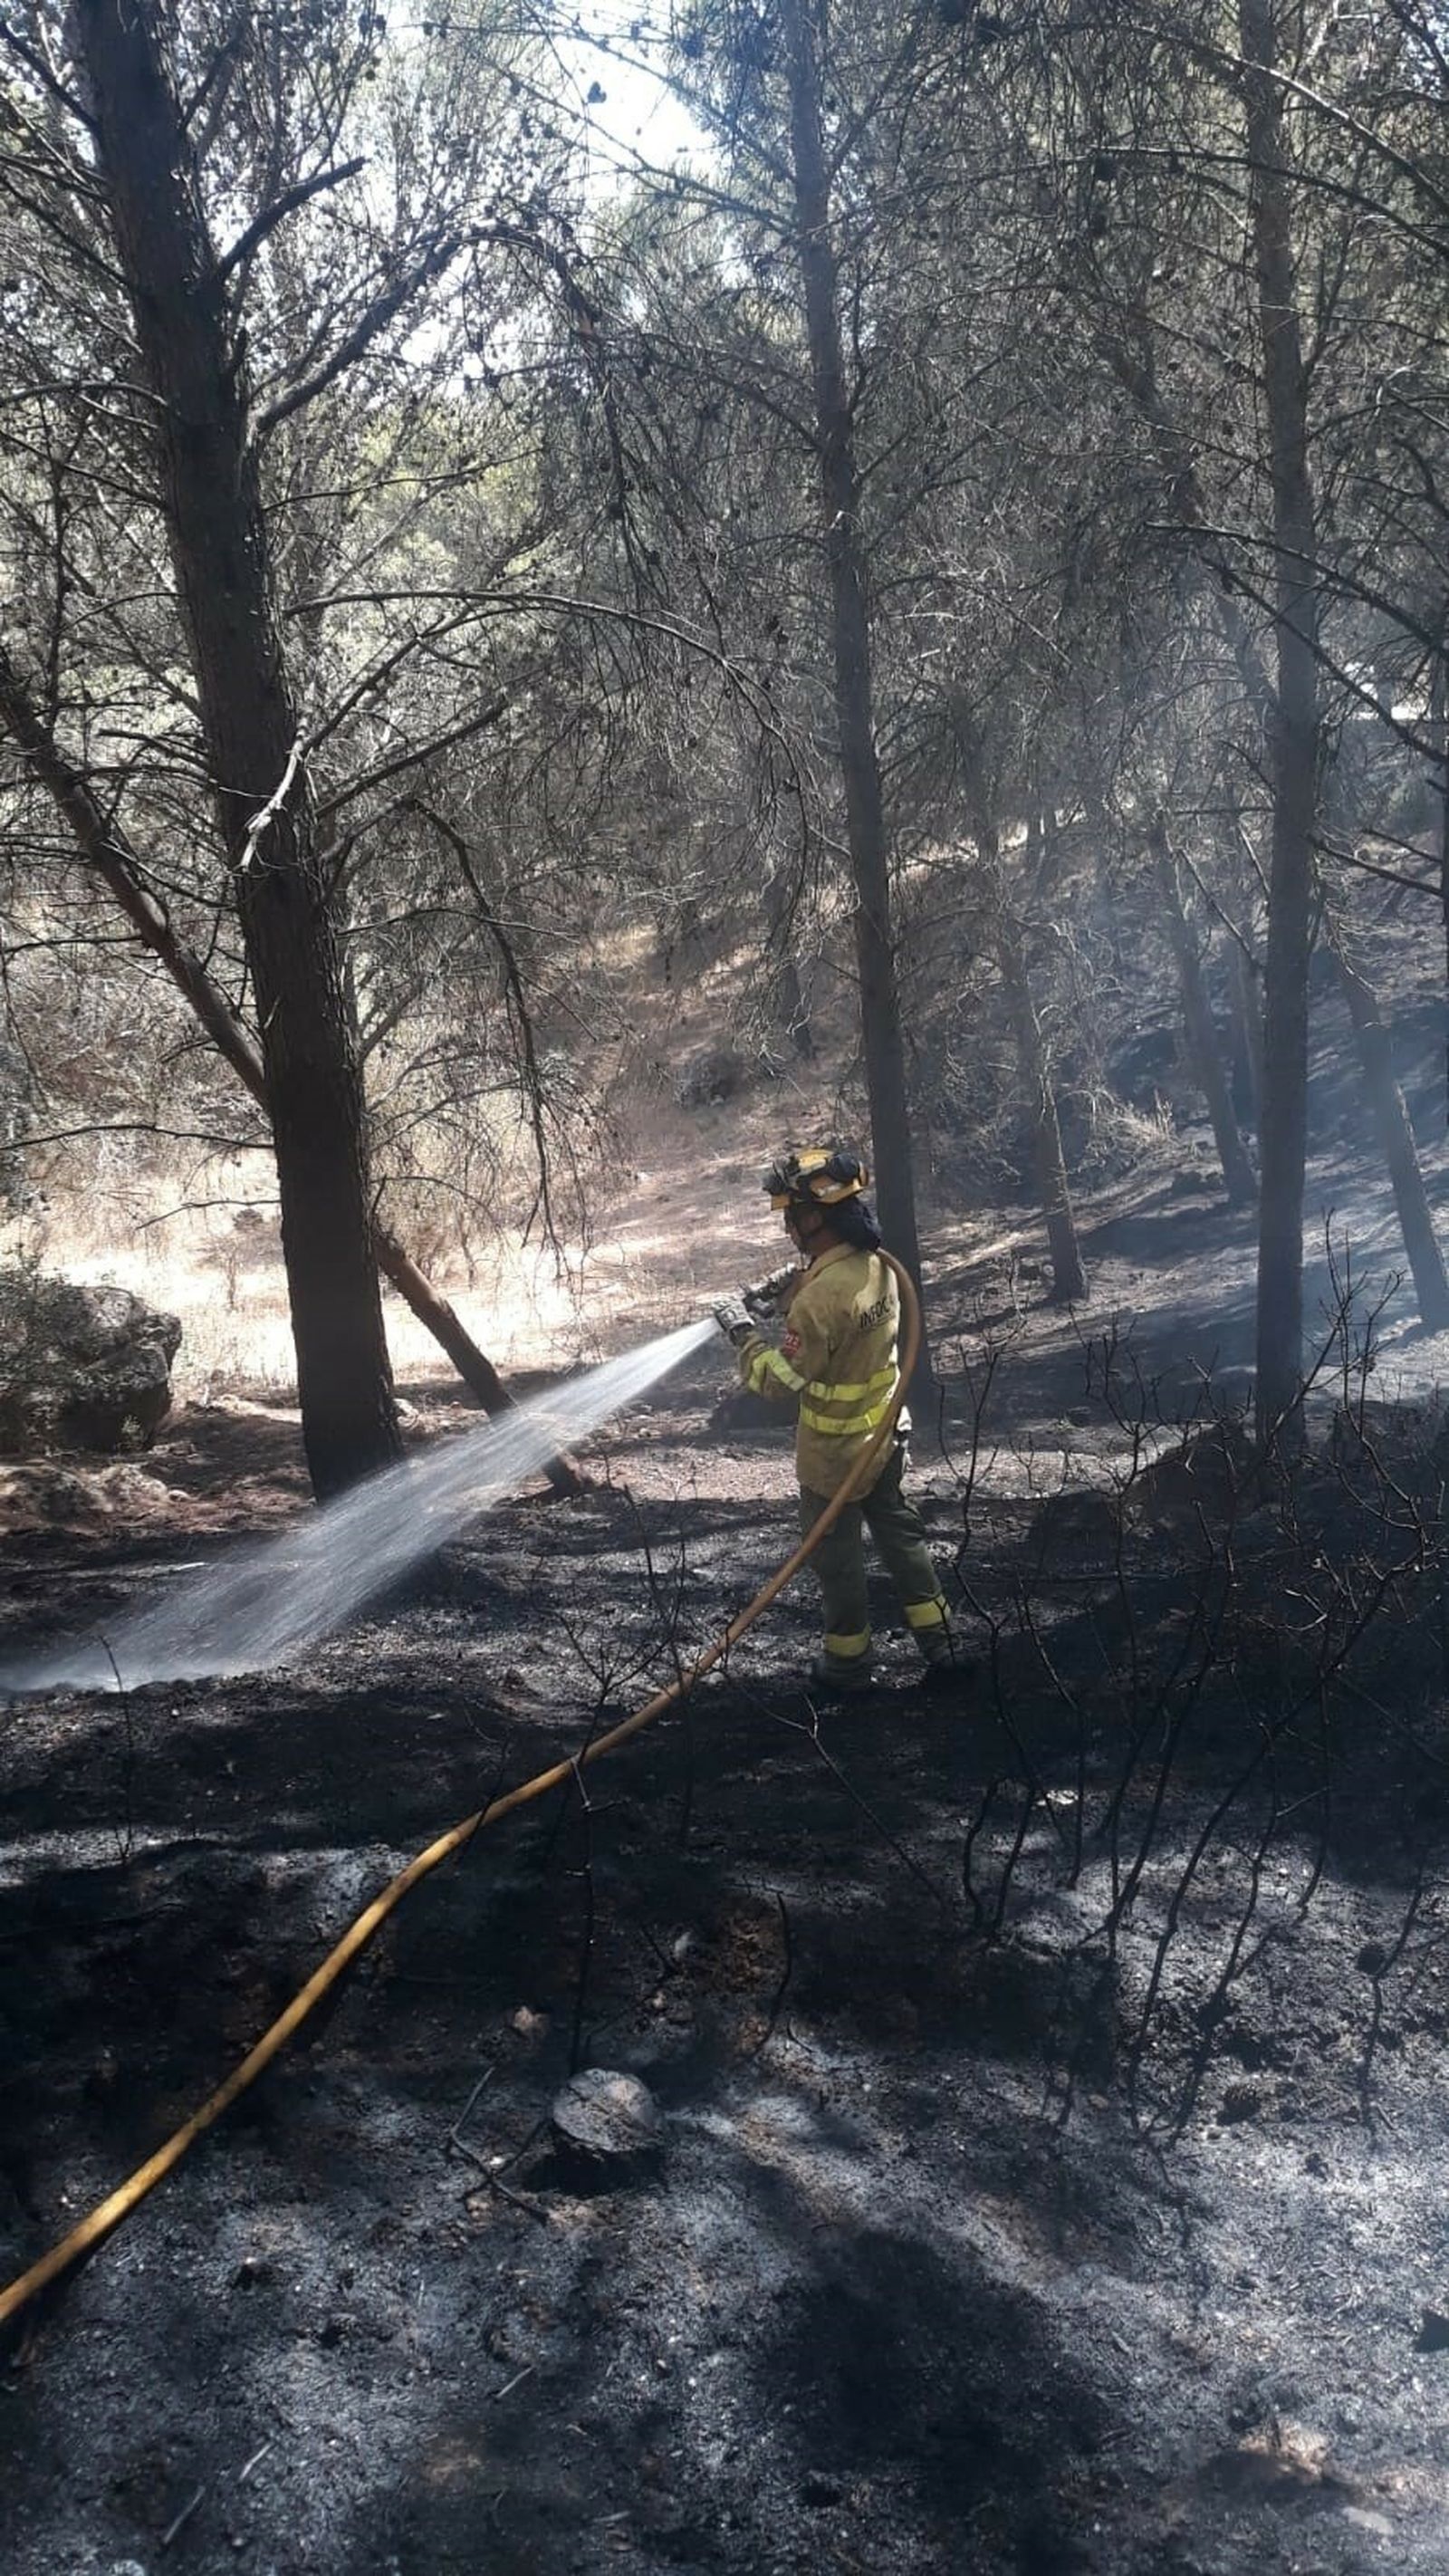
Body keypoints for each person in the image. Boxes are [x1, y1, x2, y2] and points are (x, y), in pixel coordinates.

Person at [714, 1147, 955, 1695]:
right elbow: (846, 1331)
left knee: (837, 1559)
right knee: (903, 1539)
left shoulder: (819, 1301)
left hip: (834, 1458)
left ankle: (848, 1665)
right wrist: (794, 1287)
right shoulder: (879, 1267)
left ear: (814, 1218)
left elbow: (779, 1382)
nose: (787, 1229)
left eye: (791, 1217)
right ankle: (942, 1642)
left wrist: (743, 1335)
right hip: (886, 1439)